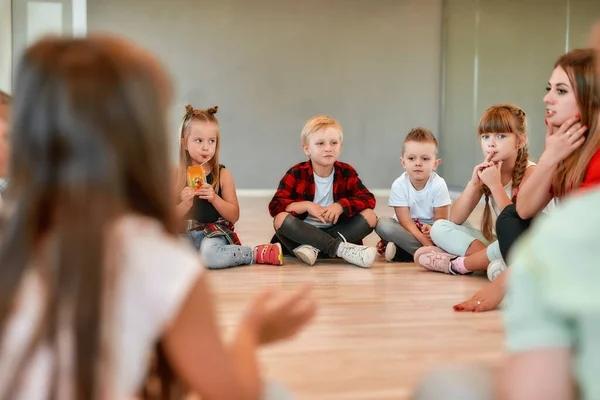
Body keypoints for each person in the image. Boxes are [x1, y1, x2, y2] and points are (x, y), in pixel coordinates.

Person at [0, 35, 316, 399]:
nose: (204, 148)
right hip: (188, 249)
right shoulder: (156, 259)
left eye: (210, 141)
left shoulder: (16, 238)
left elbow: (232, 213)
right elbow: (234, 392)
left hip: (211, 234)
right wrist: (251, 330)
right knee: (275, 393)